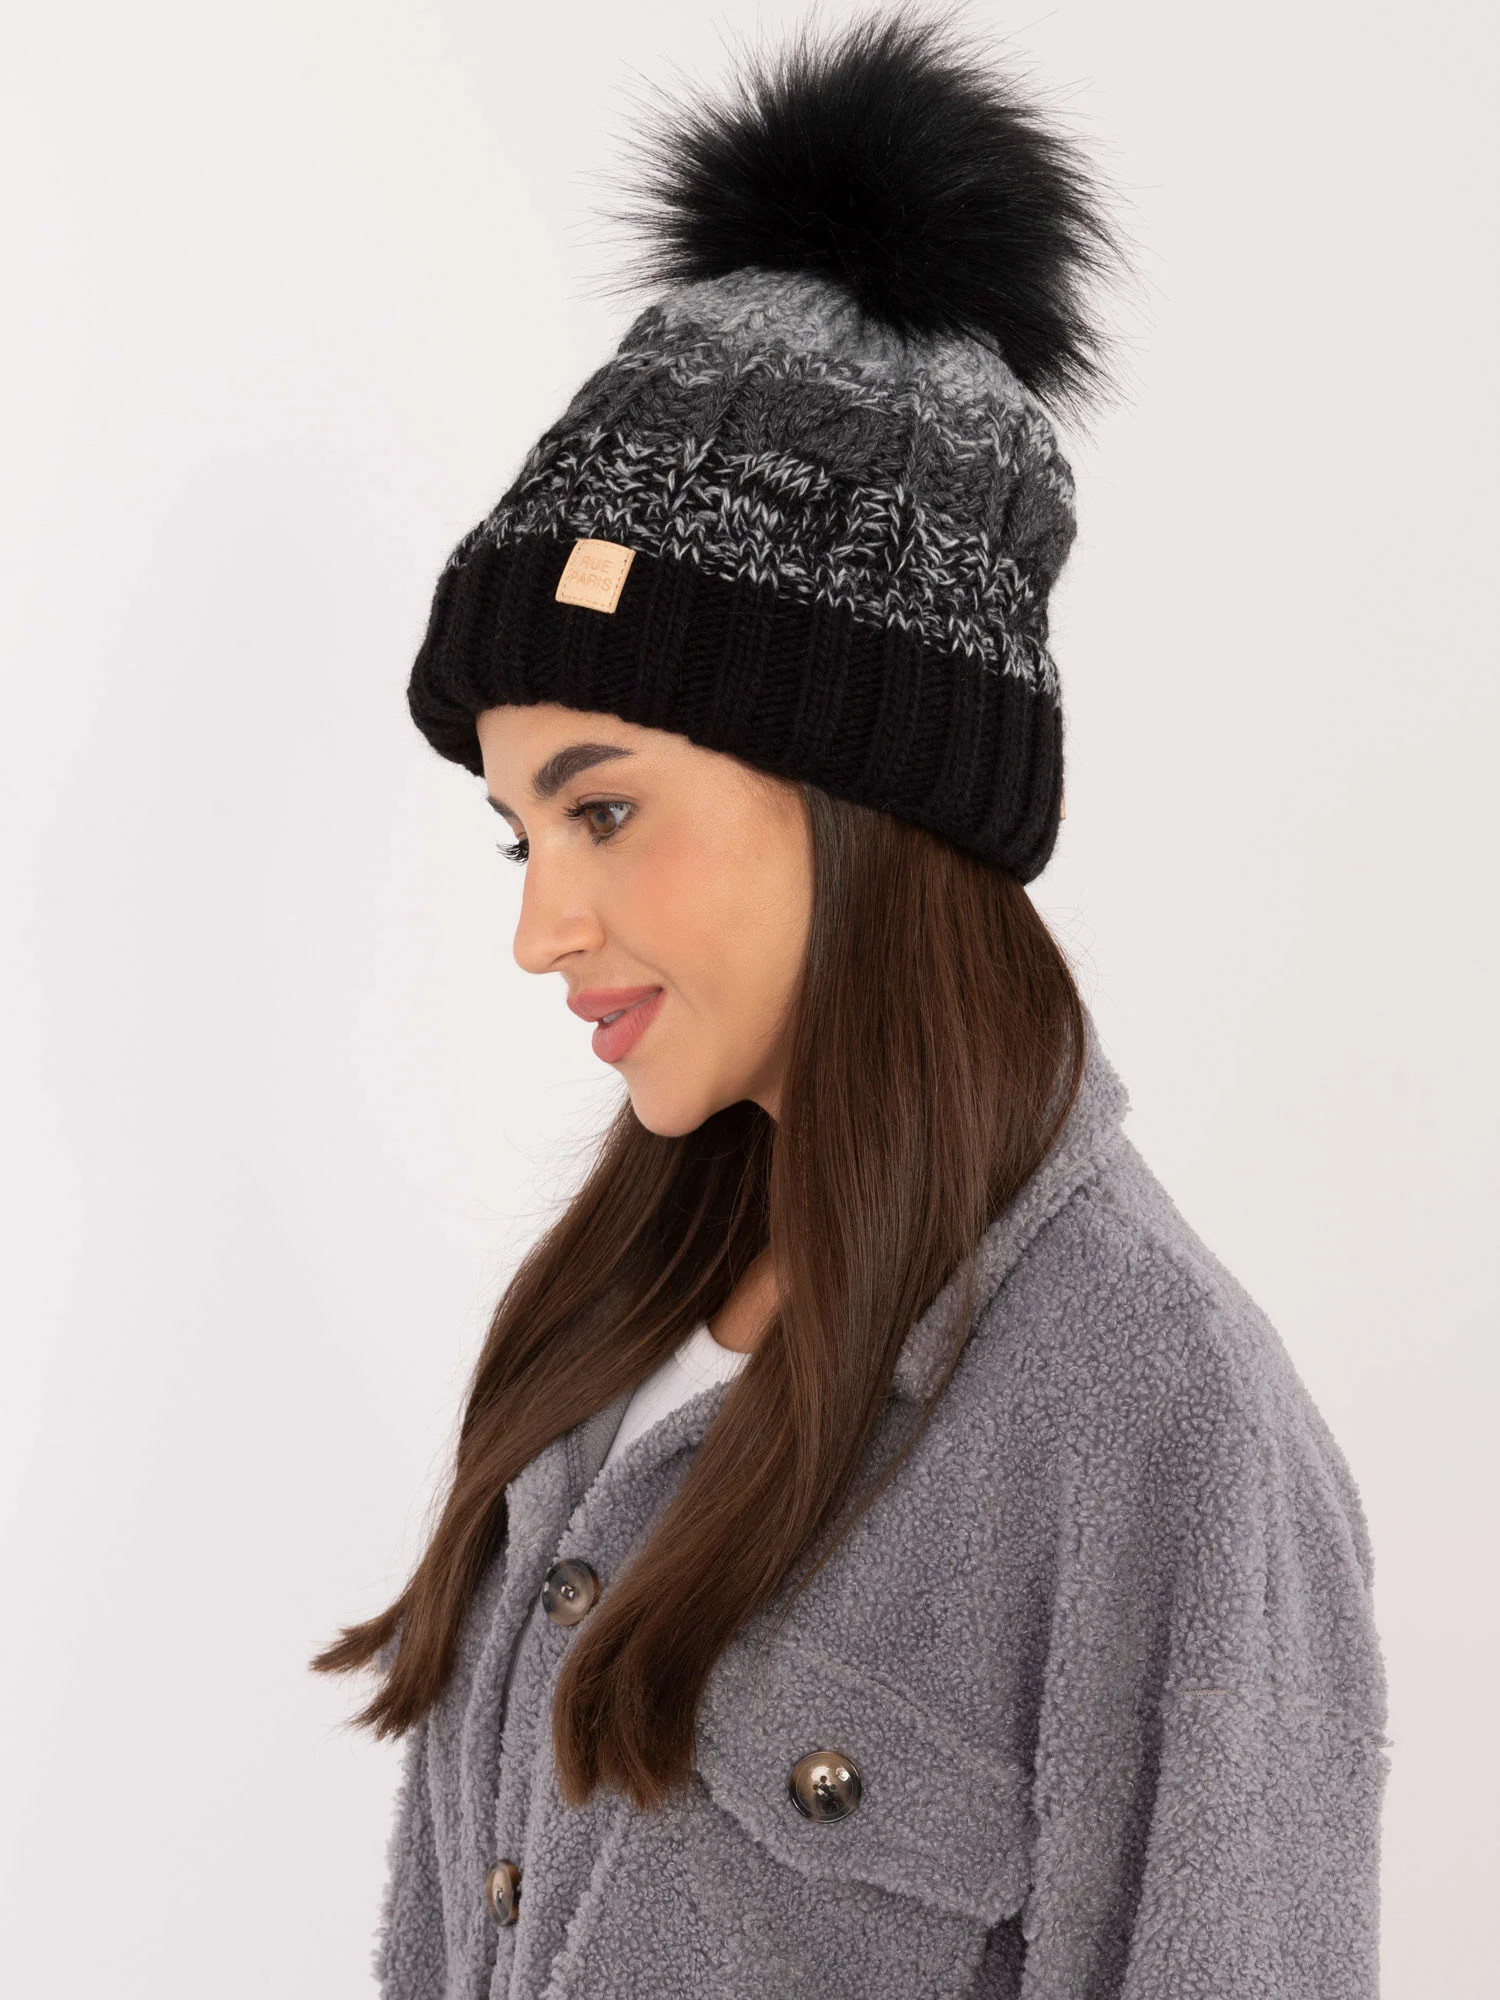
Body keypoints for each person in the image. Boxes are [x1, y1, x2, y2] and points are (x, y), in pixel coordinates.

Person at [313, 10, 1388, 1996]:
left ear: (863, 800)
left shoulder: (1164, 1427)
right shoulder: (595, 1329)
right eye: (516, 834)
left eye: (606, 811)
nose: (542, 928)